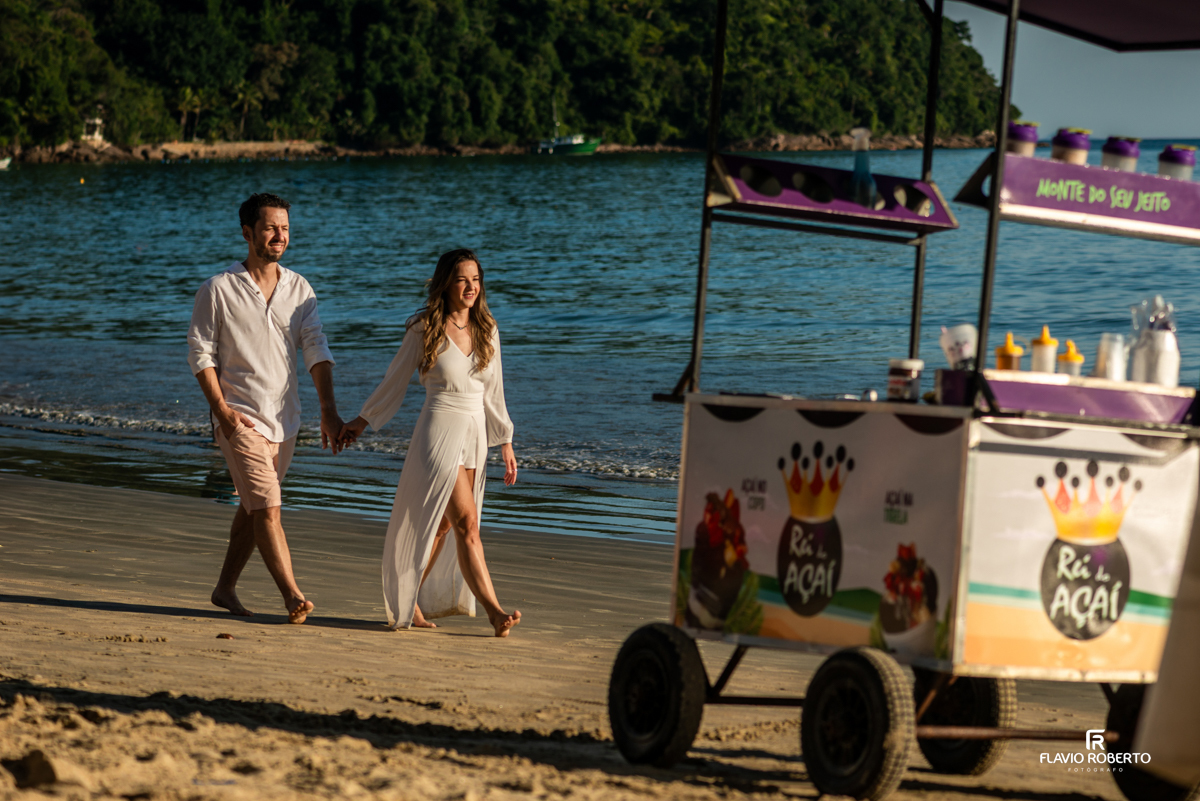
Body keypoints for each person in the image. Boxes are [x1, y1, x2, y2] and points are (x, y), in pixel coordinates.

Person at [339, 248, 520, 637]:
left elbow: (493, 391)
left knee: (442, 527)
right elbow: (396, 378)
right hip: (439, 429)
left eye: (475, 279)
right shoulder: (425, 328)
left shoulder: (487, 328)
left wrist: (504, 440)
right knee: (468, 524)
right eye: (461, 279)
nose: (470, 287)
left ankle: (410, 600)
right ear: (445, 283)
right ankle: (494, 610)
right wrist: (362, 420)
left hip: (474, 434)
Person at [187, 192, 345, 625]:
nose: (280, 236)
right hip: (238, 417)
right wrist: (221, 411)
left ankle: (224, 588)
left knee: (253, 507)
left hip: (286, 420)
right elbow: (200, 355)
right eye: (271, 227)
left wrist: (328, 409)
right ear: (247, 233)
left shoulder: (300, 289)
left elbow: (316, 349)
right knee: (269, 507)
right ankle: (292, 595)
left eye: (286, 228)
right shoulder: (218, 289)